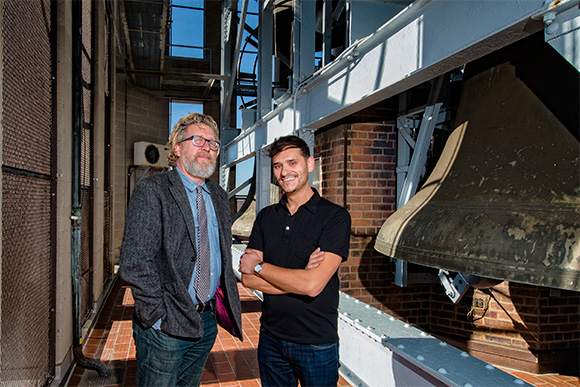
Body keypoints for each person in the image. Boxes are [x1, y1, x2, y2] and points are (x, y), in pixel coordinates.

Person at [120, 112, 242, 387]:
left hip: (206, 321)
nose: (207, 148)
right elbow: (134, 262)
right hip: (165, 325)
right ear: (177, 147)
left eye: (213, 144)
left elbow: (218, 252)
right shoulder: (153, 190)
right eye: (198, 140)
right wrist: (157, 317)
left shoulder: (219, 197)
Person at [239, 135, 351, 387]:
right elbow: (246, 279)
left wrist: (260, 268)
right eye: (278, 166)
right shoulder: (266, 217)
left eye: (292, 163)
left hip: (316, 342)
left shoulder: (335, 218)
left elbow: (311, 286)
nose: (284, 172)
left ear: (309, 164)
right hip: (271, 338)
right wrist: (301, 278)